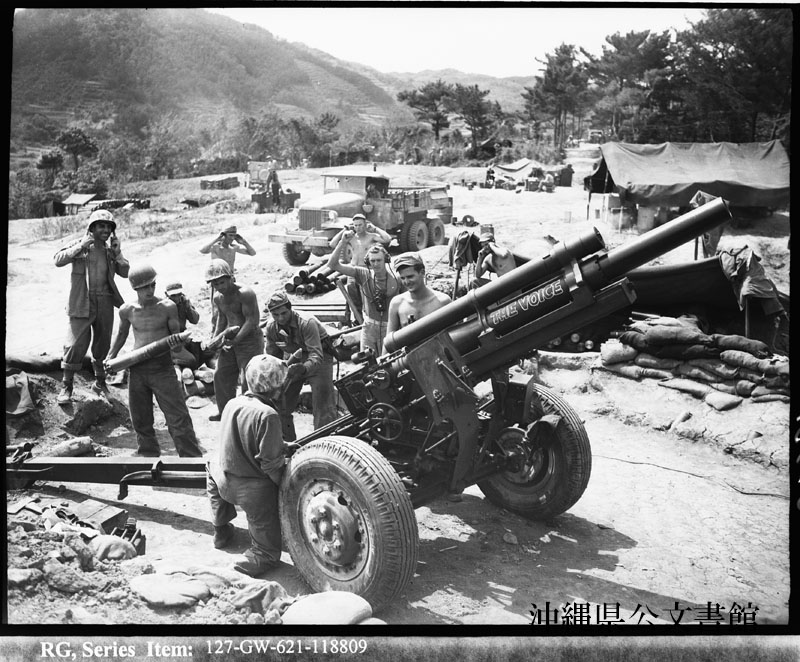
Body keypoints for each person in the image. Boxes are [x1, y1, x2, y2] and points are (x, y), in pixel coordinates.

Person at [103, 264, 203, 458]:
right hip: (137, 368)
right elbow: (122, 334)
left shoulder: (167, 307)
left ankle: (192, 461)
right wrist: (111, 357)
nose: (150, 290)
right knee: (140, 419)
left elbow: (176, 342)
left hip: (162, 367)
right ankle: (148, 458)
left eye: (152, 285)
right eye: (144, 287)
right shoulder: (127, 310)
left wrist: (176, 345)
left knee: (178, 417)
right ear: (135, 288)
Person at [207, 353, 292, 577]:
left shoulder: (233, 403)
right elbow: (271, 466)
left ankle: (221, 529)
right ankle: (240, 567)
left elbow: (242, 437)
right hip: (253, 494)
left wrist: (281, 444)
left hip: (223, 482)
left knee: (210, 464)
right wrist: (285, 488)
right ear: (277, 387)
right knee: (268, 552)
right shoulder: (269, 415)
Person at [54, 209, 130, 404]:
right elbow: (58, 260)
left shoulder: (110, 250)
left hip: (105, 300)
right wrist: (80, 246)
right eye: (101, 226)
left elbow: (125, 272)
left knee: (102, 344)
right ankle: (67, 386)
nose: (105, 230)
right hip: (81, 301)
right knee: (74, 344)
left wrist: (118, 252)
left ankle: (100, 382)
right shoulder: (80, 245)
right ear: (92, 228)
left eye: (108, 227)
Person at [263, 291, 338, 442]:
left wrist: (304, 369)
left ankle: (325, 442)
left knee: (323, 404)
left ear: (290, 308)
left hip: (320, 357)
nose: (280, 318)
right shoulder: (271, 327)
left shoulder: (306, 322)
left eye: (284, 313)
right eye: (275, 315)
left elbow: (316, 355)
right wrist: (274, 380)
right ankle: (288, 443)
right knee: (280, 401)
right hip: (296, 357)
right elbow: (272, 357)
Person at [205, 259, 264, 422]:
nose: (219, 287)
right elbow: (221, 320)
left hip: (250, 340)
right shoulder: (218, 297)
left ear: (231, 277)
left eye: (222, 282)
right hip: (230, 340)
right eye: (215, 284)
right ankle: (225, 412)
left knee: (249, 378)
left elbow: (252, 320)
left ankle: (247, 416)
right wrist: (216, 340)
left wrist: (236, 340)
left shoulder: (245, 293)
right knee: (221, 375)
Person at [327, 238, 404, 356]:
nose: (376, 264)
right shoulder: (363, 274)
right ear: (368, 262)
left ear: (386, 260)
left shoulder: (398, 279)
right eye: (372, 261)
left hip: (390, 327)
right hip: (369, 328)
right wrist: (342, 241)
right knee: (366, 363)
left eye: (379, 260)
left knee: (390, 363)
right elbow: (333, 264)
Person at [328, 213, 392, 322]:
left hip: (366, 271)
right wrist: (344, 230)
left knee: (369, 298)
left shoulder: (371, 236)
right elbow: (333, 244)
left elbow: (387, 239)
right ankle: (358, 321)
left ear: (365, 225)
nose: (358, 228)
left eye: (360, 225)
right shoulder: (351, 238)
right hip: (352, 271)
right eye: (355, 225)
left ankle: (370, 320)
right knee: (353, 299)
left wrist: (376, 228)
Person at [386, 252, 451, 333]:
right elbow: (389, 342)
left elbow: (454, 336)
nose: (406, 282)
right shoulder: (397, 303)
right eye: (403, 278)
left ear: (422, 272)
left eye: (410, 277)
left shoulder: (442, 301)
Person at [164, 281, 203, 369]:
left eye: (179, 294)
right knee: (191, 360)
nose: (177, 298)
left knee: (203, 352)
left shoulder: (184, 303)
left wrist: (187, 306)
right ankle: (173, 363)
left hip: (182, 338)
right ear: (166, 295)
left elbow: (195, 320)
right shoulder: (163, 307)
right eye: (173, 295)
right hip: (170, 341)